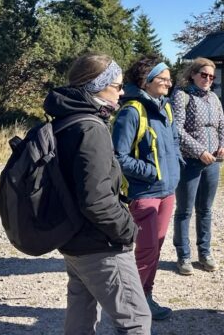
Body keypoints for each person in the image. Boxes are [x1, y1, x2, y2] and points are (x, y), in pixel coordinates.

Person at [42, 53, 151, 334]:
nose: (122, 91)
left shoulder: (65, 119)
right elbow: (96, 200)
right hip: (100, 245)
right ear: (95, 86)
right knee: (136, 321)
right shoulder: (91, 128)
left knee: (81, 314)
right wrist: (128, 231)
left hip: (73, 239)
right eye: (116, 85)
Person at [112, 54, 182, 321]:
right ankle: (134, 304)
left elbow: (173, 141)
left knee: (157, 246)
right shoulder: (131, 111)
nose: (169, 83)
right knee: (145, 249)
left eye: (169, 78)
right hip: (144, 193)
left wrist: (175, 165)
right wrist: (151, 172)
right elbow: (118, 156)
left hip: (167, 191)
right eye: (163, 79)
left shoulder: (165, 107)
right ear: (146, 80)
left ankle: (145, 296)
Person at [171, 57, 224, 274]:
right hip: (190, 163)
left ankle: (205, 253)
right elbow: (177, 129)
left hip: (213, 163)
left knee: (205, 210)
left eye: (211, 77)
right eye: (203, 75)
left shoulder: (214, 98)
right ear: (193, 74)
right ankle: (183, 256)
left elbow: (222, 125)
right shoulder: (181, 95)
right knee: (185, 211)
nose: (207, 79)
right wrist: (199, 151)